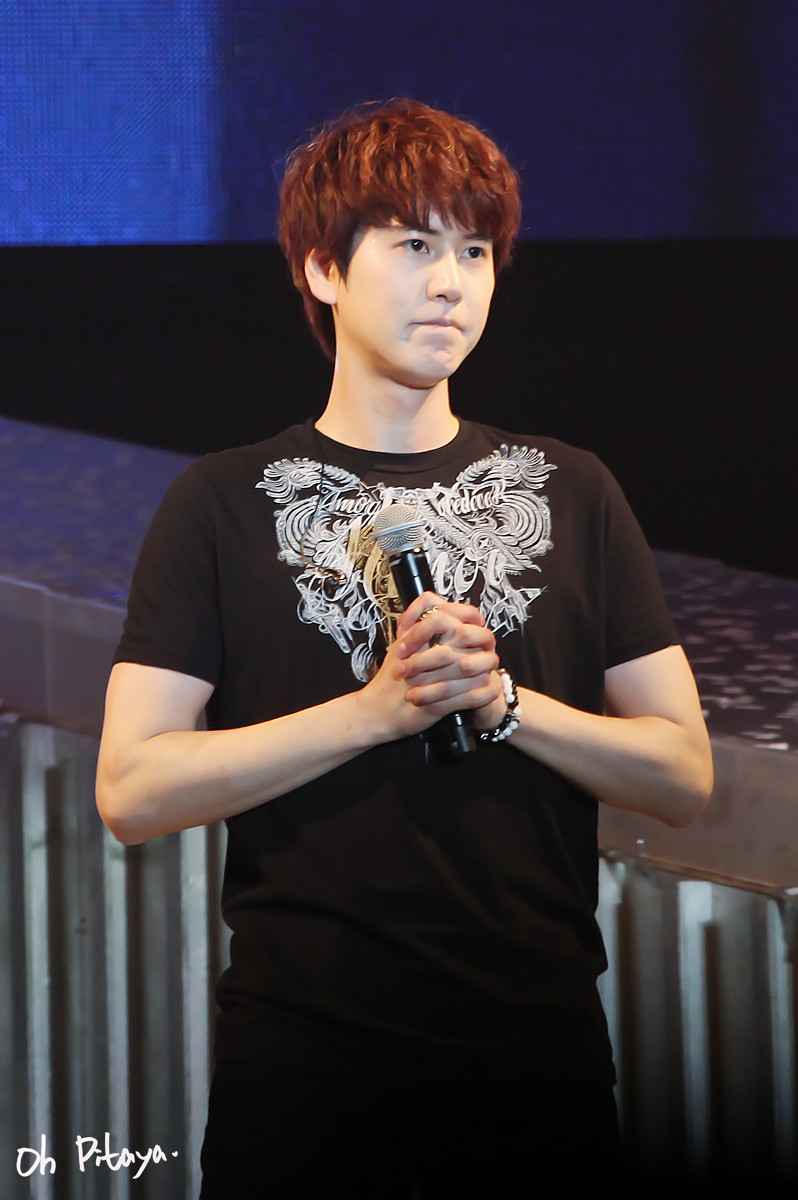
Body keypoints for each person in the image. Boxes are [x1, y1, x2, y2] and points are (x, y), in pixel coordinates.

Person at [96, 99, 713, 1197]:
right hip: (304, 1069)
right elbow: (132, 789)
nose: (452, 283)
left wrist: (505, 705)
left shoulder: (573, 490)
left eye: (475, 251)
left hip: (540, 1062)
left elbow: (683, 773)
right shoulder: (222, 502)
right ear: (323, 269)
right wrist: (374, 714)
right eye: (415, 245)